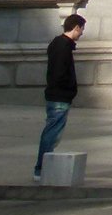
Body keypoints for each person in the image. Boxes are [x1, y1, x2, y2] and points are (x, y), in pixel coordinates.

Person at [34, 13, 86, 181]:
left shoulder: (59, 44)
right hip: (59, 96)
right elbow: (59, 73)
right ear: (76, 27)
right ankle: (41, 168)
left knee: (52, 131)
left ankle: (42, 167)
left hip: (57, 94)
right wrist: (69, 89)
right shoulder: (63, 46)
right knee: (52, 133)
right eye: (81, 29)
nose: (82, 34)